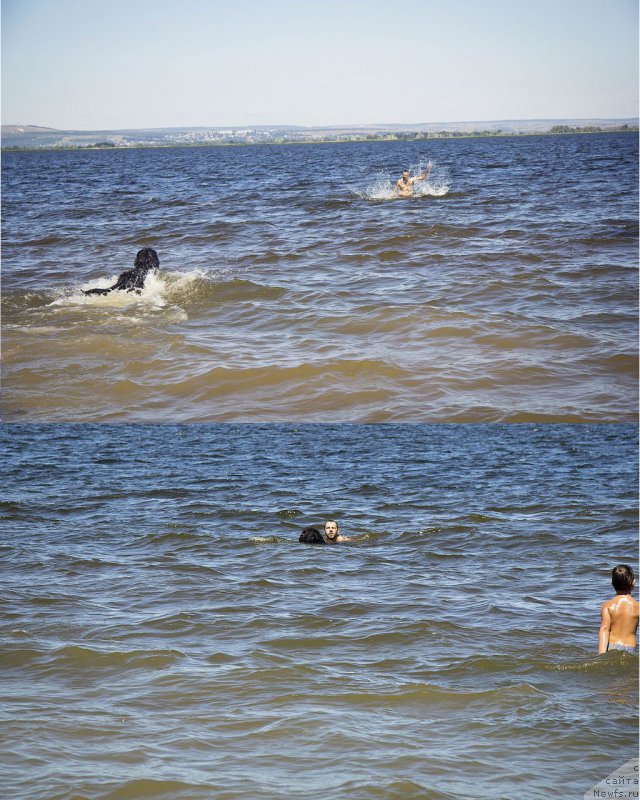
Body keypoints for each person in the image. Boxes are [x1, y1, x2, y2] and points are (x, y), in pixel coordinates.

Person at [83, 247, 159, 295]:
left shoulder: (125, 275)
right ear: (155, 261)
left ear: (137, 261)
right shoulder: (151, 276)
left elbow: (112, 289)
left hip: (122, 291)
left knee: (110, 291)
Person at [598, 565, 639, 654]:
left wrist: (601, 655)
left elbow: (604, 629)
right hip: (630, 648)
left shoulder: (607, 606)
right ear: (633, 583)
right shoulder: (637, 606)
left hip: (612, 647)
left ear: (612, 583)